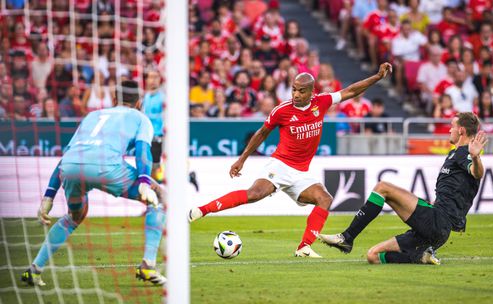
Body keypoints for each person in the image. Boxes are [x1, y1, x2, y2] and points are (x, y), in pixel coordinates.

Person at [189, 63, 393, 258]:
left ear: (311, 91)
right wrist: (242, 159)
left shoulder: (320, 103)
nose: (296, 94)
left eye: (301, 91)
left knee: (325, 199)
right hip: (280, 165)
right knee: (255, 194)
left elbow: (351, 91)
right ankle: (201, 210)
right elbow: (262, 133)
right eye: (294, 89)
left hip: (301, 172)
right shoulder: (282, 110)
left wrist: (377, 77)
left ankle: (304, 248)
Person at [22, 80, 167, 287]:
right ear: (139, 103)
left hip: (71, 167)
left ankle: (34, 270)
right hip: (107, 167)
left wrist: (49, 196)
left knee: (74, 216)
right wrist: (144, 180)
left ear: (114, 99)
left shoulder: (92, 115)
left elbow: (68, 155)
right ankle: (148, 265)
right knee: (161, 199)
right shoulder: (140, 118)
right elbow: (144, 152)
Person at [319, 112, 488, 265]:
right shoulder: (455, 153)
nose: (449, 130)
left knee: (383, 187)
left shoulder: (465, 153)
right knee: (373, 256)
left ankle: (347, 237)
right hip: (437, 232)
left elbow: (477, 173)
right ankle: (421, 256)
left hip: (438, 221)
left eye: (452, 127)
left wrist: (475, 157)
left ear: (461, 131)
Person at [142, 70, 165, 181]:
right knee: (150, 166)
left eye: (156, 77)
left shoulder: (163, 97)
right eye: (150, 77)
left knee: (157, 166)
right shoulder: (145, 96)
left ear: (160, 79)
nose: (153, 80)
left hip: (159, 136)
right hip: (148, 136)